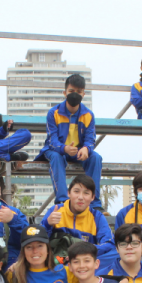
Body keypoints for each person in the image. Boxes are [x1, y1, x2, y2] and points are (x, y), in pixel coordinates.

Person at [35, 74, 103, 211]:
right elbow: (52, 139)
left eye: (79, 92)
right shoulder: (53, 113)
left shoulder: (88, 115)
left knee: (96, 157)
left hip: (77, 151)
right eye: (71, 91)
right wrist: (64, 148)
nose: (75, 95)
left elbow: (90, 139)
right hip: (56, 150)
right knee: (56, 157)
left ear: (84, 94)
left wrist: (86, 149)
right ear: (65, 92)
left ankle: (94, 203)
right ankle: (62, 201)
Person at [43, 174, 117, 265]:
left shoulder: (97, 217)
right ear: (69, 193)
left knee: (117, 254)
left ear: (92, 197)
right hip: (59, 263)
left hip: (84, 265)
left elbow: (109, 244)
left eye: (86, 193)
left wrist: (85, 251)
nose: (81, 197)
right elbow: (39, 239)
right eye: (76, 191)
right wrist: (47, 224)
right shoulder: (56, 210)